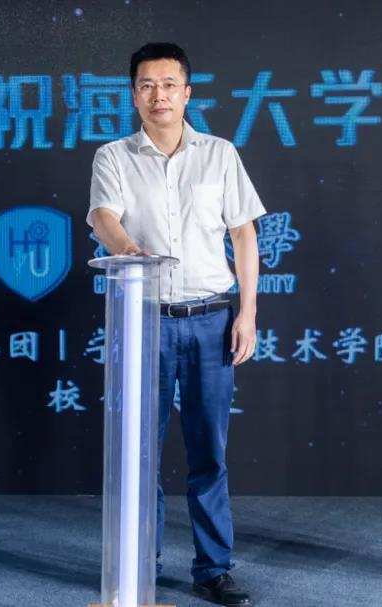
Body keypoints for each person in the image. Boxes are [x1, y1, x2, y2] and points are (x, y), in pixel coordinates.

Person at [87, 42, 264, 607]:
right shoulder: (114, 156)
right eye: (146, 85)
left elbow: (244, 234)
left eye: (168, 85)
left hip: (211, 318)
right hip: (144, 322)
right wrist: (127, 249)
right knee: (140, 452)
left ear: (187, 93)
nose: (157, 95)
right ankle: (141, 563)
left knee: (209, 451)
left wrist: (248, 312)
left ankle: (213, 568)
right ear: (133, 94)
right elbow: (103, 216)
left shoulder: (219, 154)